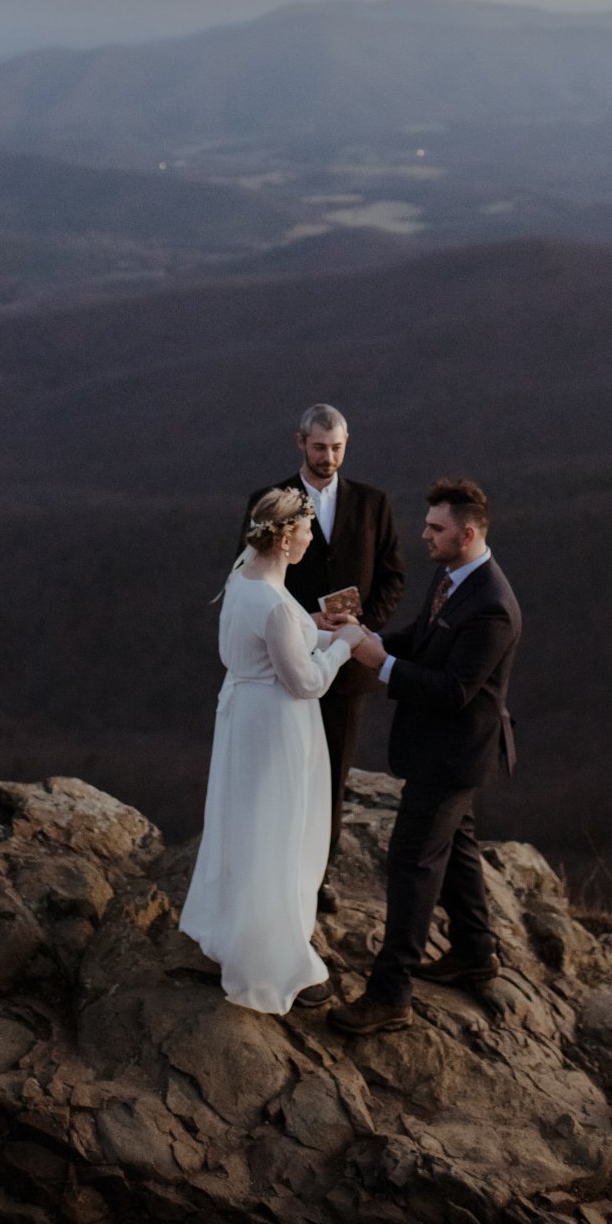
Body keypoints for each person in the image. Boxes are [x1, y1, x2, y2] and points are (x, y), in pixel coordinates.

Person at [329, 477, 521, 1036]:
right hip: (445, 751)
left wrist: (377, 663)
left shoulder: (492, 608)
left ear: (466, 534)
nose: (424, 535)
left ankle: (391, 996)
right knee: (456, 849)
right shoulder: (455, 573)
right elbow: (423, 633)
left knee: (411, 865)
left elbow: (453, 691)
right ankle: (474, 952)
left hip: (452, 755)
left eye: (435, 528)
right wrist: (372, 638)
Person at [179, 487, 359, 1014]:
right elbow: (305, 682)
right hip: (278, 726)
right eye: (305, 530)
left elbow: (273, 648)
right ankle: (273, 957)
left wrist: (323, 636)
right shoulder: (276, 604)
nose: (310, 538)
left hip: (245, 718)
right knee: (279, 832)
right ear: (285, 539)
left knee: (247, 824)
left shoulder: (242, 580)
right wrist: (346, 645)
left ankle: (238, 930)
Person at [240, 403, 405, 910]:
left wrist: (362, 629)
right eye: (319, 447)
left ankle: (318, 875)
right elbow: (252, 572)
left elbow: (393, 577)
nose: (328, 457)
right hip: (286, 657)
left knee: (331, 773)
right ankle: (272, 868)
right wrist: (298, 623)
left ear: (347, 443)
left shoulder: (374, 503)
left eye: (336, 447)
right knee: (281, 771)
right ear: (300, 443)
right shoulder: (268, 501)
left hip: (346, 668)